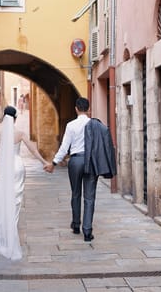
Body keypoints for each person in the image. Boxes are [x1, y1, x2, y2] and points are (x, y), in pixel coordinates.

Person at [0, 106, 51, 260]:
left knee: (4, 200)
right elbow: (33, 150)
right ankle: (12, 236)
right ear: (15, 119)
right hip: (17, 167)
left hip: (4, 169)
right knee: (15, 201)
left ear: (4, 117)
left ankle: (5, 238)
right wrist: (44, 162)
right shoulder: (20, 134)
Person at [44, 97, 98, 242]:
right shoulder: (94, 124)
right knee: (89, 196)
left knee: (75, 193)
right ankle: (87, 231)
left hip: (75, 161)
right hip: (91, 161)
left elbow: (64, 146)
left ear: (76, 109)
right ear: (89, 109)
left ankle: (76, 225)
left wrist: (54, 163)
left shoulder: (71, 125)